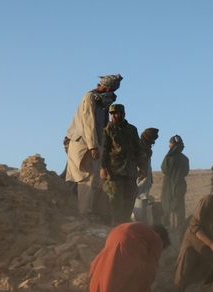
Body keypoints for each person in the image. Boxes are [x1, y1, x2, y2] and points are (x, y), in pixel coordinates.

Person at [89, 222, 170, 292]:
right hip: (129, 244)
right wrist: (147, 284)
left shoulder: (140, 229)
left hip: (113, 237)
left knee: (116, 283)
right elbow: (152, 266)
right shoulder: (157, 239)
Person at [65, 74, 122, 219]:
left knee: (94, 178)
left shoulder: (99, 100)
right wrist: (93, 146)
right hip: (84, 143)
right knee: (87, 178)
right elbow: (89, 123)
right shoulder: (91, 98)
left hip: (90, 143)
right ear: (108, 88)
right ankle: (84, 212)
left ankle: (86, 210)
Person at [100, 104, 145, 226]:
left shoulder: (132, 130)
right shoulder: (108, 130)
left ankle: (125, 224)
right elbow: (104, 150)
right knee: (116, 200)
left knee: (130, 198)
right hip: (115, 171)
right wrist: (102, 167)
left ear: (123, 114)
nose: (114, 116)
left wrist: (142, 167)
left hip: (130, 171)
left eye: (116, 113)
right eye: (112, 113)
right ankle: (117, 226)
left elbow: (138, 149)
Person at [160, 135, 190, 231]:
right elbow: (185, 172)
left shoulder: (168, 157)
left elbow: (163, 169)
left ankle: (166, 227)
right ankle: (180, 230)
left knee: (166, 205)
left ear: (172, 145)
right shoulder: (185, 158)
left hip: (168, 185)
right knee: (180, 206)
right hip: (180, 184)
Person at [133, 128, 159, 223]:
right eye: (152, 139)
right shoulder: (139, 147)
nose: (153, 142)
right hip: (139, 182)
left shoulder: (146, 148)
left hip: (145, 184)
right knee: (137, 214)